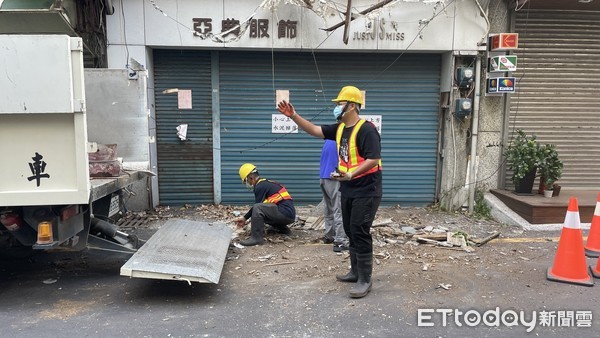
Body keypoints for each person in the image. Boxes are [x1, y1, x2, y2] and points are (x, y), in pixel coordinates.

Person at [277, 85, 382, 298]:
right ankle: (355, 272)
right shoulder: (340, 128)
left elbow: (373, 159)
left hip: (367, 189)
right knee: (351, 231)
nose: (337, 107)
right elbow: (315, 130)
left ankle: (365, 279)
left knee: (359, 231)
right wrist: (293, 116)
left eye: (340, 104)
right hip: (348, 188)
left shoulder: (367, 130)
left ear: (352, 106)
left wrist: (351, 174)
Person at [234, 163, 296, 246]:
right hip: (289, 215)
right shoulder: (265, 183)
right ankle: (284, 230)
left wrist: (245, 218)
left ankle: (256, 238)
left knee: (259, 209)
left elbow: (257, 207)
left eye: (246, 180)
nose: (247, 183)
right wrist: (245, 218)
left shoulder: (260, 186)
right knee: (263, 212)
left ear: (251, 177)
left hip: (284, 213)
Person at [320, 139, 349, 252]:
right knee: (339, 209)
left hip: (323, 176)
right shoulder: (342, 140)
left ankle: (329, 235)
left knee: (329, 208)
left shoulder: (328, 140)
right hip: (334, 177)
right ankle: (340, 241)